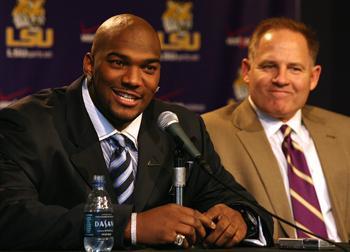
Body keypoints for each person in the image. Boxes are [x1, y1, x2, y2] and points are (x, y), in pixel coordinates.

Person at [0, 14, 273, 249]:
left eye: (148, 68)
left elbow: (240, 204)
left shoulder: (180, 127)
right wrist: (130, 225)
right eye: (118, 63)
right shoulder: (27, 124)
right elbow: (11, 217)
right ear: (89, 64)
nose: (133, 80)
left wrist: (237, 218)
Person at [202, 17, 350, 242]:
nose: (281, 79)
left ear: (313, 77)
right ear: (247, 70)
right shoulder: (208, 132)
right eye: (269, 66)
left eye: (295, 68)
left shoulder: (345, 131)